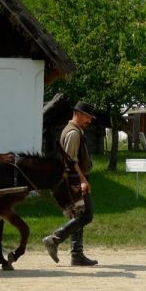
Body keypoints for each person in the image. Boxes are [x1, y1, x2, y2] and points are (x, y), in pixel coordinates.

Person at [42, 101, 98, 266]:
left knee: (78, 215)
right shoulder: (73, 133)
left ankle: (77, 255)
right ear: (78, 114)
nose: (90, 121)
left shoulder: (74, 130)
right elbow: (71, 161)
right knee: (87, 215)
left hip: (73, 180)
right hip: (75, 180)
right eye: (88, 117)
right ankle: (55, 238)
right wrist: (82, 180)